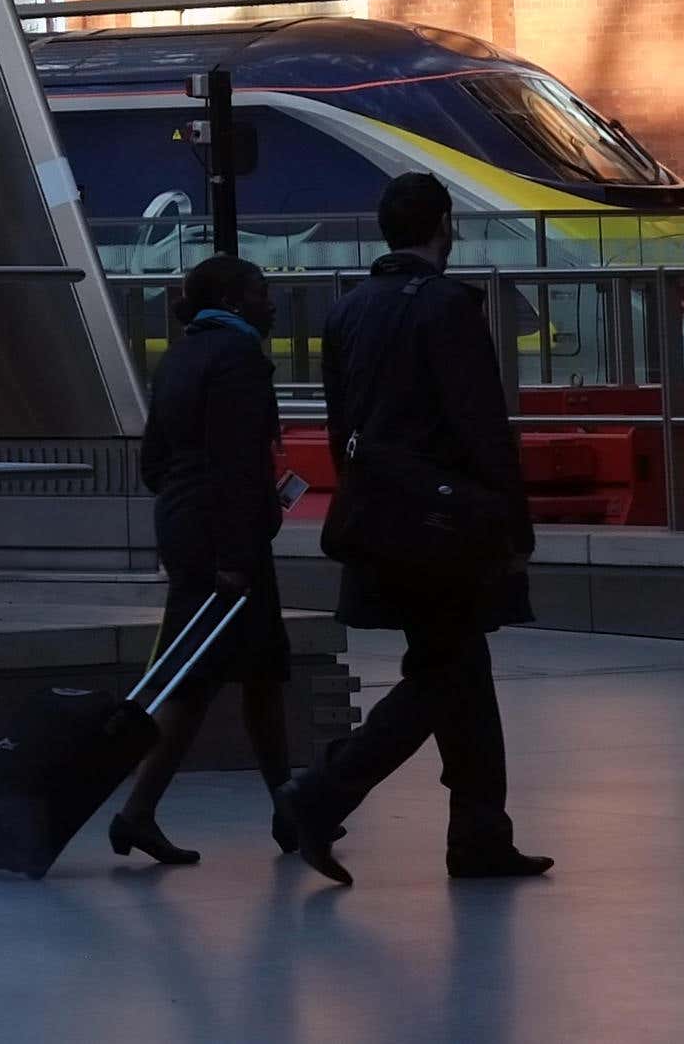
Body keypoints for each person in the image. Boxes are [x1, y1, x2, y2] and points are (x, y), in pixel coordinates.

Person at [273, 172, 551, 884]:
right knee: (445, 674)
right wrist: (514, 529)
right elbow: (482, 428)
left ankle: (481, 832)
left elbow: (343, 430)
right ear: (444, 226)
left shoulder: (349, 311)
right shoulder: (449, 309)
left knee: (462, 668)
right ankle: (325, 790)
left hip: (379, 521)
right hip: (446, 529)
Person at [106, 253, 292, 866]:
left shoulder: (181, 355)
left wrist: (186, 517)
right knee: (204, 681)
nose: (271, 304)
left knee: (249, 673)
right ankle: (137, 812)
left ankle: (287, 807)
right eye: (262, 293)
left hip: (188, 529)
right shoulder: (238, 358)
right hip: (228, 543)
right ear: (238, 301)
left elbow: (155, 461)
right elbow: (239, 463)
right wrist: (237, 554)